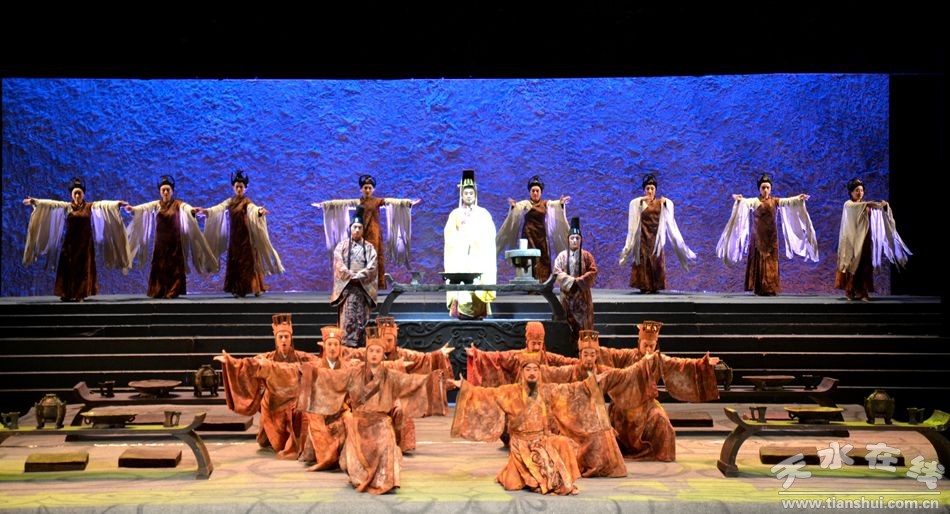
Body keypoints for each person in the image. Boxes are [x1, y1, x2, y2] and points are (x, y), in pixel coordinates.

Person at [300, 327, 443, 494]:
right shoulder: (354, 373)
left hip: (380, 423)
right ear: (366, 353)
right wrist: (312, 373)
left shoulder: (390, 375)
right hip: (359, 423)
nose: (374, 354)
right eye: (371, 351)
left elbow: (411, 382)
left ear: (383, 354)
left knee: (387, 437)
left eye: (378, 351)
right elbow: (333, 378)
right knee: (352, 467)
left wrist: (435, 381)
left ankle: (387, 479)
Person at [451, 354, 606, 495]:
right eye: (528, 369)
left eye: (535, 370)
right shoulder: (510, 392)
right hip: (521, 444)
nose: (532, 373)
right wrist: (465, 387)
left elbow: (569, 390)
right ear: (522, 372)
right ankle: (530, 477)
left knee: (563, 443)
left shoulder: (546, 390)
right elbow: (487, 394)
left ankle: (560, 481)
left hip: (542, 440)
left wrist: (589, 383)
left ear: (539, 372)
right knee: (513, 484)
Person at [598, 321, 719, 461]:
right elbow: (607, 353)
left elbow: (680, 364)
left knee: (662, 421)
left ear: (656, 345)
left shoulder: (658, 359)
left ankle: (658, 453)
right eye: (645, 345)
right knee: (619, 421)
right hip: (623, 404)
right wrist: (593, 348)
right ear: (639, 342)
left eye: (652, 345)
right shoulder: (626, 355)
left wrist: (703, 364)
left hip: (647, 404)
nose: (648, 349)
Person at [342, 318, 455, 452]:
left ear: (395, 340)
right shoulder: (369, 351)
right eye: (384, 340)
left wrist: (438, 355)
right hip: (367, 397)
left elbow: (422, 359)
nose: (386, 344)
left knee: (401, 408)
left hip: (393, 396)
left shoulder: (402, 354)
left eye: (390, 340)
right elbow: (349, 356)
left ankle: (400, 443)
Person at [215, 313, 316, 459]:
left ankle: (297, 442)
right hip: (274, 404)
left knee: (303, 412)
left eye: (286, 337)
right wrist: (230, 362)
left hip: (295, 403)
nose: (283, 340)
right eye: (280, 337)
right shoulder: (268, 358)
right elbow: (249, 365)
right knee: (268, 440)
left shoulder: (302, 357)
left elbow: (319, 364)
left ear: (291, 338)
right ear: (276, 339)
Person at [22, 177, 130, 302]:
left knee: (82, 269)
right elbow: (51, 204)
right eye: (75, 193)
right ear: (72, 195)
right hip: (70, 244)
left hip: (85, 245)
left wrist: (117, 204)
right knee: (68, 267)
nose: (77, 195)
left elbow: (103, 205)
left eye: (79, 193)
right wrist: (35, 201)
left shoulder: (90, 206)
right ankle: (67, 293)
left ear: (83, 194)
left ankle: (80, 293)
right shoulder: (67, 207)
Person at [539, 330, 627, 478]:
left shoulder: (602, 372)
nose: (589, 358)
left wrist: (644, 363)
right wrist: (534, 368)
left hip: (598, 418)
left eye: (592, 355)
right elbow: (551, 372)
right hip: (574, 420)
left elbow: (623, 375)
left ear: (596, 356)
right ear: (580, 355)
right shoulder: (572, 371)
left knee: (604, 435)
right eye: (585, 355)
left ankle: (600, 465)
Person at [716, 173, 818, 296]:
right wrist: (739, 200)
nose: (765, 190)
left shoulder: (775, 201)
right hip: (758, 237)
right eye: (763, 187)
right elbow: (745, 202)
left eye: (767, 187)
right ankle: (759, 288)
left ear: (770, 188)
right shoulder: (755, 201)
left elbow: (788, 201)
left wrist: (798, 198)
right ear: (759, 188)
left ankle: (770, 288)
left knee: (771, 261)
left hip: (771, 237)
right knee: (759, 260)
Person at [313, 174, 418, 289]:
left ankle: (377, 286)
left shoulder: (377, 201)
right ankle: (361, 286)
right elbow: (342, 203)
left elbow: (391, 201)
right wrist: (324, 205)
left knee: (375, 259)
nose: (367, 190)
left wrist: (408, 203)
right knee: (360, 259)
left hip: (374, 235)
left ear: (373, 189)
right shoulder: (358, 202)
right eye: (365, 188)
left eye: (369, 188)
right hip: (361, 234)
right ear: (361, 189)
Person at [125, 175, 218, 298]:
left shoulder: (178, 204)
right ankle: (158, 290)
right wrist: (133, 209)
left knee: (175, 266)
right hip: (161, 242)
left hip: (175, 242)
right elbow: (144, 207)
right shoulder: (156, 204)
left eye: (168, 190)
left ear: (172, 191)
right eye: (163, 190)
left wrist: (192, 211)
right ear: (160, 192)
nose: (165, 192)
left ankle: (173, 291)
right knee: (159, 264)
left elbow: (186, 208)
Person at [199, 171, 283, 298]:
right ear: (233, 188)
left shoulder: (246, 201)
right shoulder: (230, 201)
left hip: (246, 238)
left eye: (241, 187)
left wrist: (259, 211)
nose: (239, 189)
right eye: (237, 186)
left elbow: (253, 209)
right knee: (235, 262)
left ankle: (255, 287)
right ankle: (237, 288)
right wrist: (207, 212)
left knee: (249, 262)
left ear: (245, 188)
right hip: (235, 238)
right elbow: (219, 208)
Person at [835, 178, 911, 301]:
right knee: (852, 263)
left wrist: (883, 207)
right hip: (851, 240)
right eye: (856, 190)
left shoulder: (866, 205)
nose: (860, 193)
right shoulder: (848, 204)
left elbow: (877, 212)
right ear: (851, 192)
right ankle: (850, 291)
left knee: (864, 264)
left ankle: (863, 292)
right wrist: (869, 204)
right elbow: (856, 207)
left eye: (861, 190)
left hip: (864, 239)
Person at [619, 173, 697, 293]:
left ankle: (655, 286)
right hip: (643, 237)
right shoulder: (640, 203)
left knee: (656, 260)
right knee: (643, 260)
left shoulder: (660, 203)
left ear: (655, 190)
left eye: (652, 188)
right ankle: (644, 286)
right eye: (647, 188)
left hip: (656, 237)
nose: (650, 191)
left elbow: (670, 206)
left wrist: (666, 202)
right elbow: (632, 204)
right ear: (644, 190)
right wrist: (641, 199)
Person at [297, 325, 352, 470]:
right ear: (324, 346)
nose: (332, 348)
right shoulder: (315, 367)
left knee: (350, 419)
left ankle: (347, 457)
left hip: (340, 410)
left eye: (335, 344)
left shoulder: (347, 368)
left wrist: (344, 405)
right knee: (315, 421)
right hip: (319, 411)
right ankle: (326, 458)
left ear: (340, 347)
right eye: (330, 344)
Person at [444, 169, 497, 319]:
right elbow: (449, 235)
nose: (468, 196)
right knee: (462, 284)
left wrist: (478, 242)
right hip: (461, 256)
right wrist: (460, 242)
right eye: (466, 193)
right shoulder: (455, 214)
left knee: (477, 282)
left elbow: (489, 234)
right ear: (461, 195)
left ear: (475, 195)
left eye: (471, 193)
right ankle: (462, 312)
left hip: (477, 255)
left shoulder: (483, 213)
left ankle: (478, 312)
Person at [496, 175, 570, 282]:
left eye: (537, 191)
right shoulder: (527, 204)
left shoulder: (545, 204)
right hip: (528, 235)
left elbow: (554, 204)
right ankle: (530, 283)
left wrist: (560, 203)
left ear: (541, 192)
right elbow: (519, 206)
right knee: (530, 259)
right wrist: (514, 206)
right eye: (533, 191)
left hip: (541, 236)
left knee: (543, 258)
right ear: (530, 192)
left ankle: (543, 282)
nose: (535, 193)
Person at [465, 321, 576, 387]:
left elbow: (564, 361)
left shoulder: (546, 356)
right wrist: (477, 355)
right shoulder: (517, 356)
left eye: (539, 343)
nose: (536, 347)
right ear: (527, 342)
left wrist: (582, 362)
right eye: (533, 343)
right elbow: (498, 357)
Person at [330, 206, 379, 347]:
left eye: (360, 228)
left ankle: (361, 347)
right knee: (348, 318)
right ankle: (346, 347)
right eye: (354, 227)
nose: (357, 230)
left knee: (361, 320)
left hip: (362, 289)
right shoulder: (342, 246)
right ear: (350, 229)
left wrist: (360, 275)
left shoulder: (369, 248)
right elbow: (338, 263)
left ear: (363, 230)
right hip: (348, 288)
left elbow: (373, 265)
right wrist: (349, 275)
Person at [552, 217, 597, 345]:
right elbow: (556, 272)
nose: (575, 240)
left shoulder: (587, 256)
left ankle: (585, 349)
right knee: (568, 324)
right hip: (567, 296)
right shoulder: (562, 256)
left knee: (584, 325)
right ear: (568, 240)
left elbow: (593, 271)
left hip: (583, 296)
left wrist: (580, 281)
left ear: (581, 240)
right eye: (572, 238)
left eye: (577, 238)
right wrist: (572, 281)